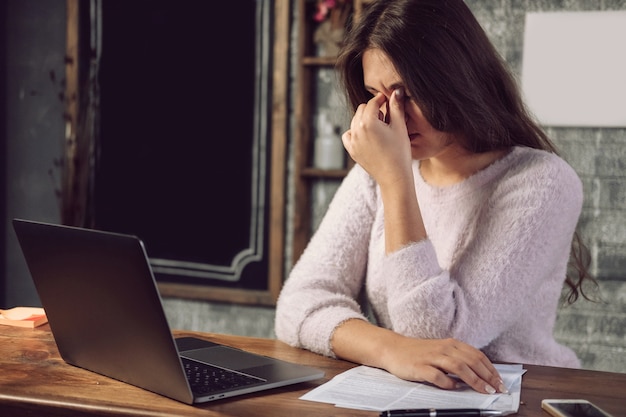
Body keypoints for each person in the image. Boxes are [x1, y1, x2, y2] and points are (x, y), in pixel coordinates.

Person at [275, 0, 594, 395]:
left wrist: (395, 181)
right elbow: (297, 303)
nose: (391, 115)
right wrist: (390, 350)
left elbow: (436, 332)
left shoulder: (542, 182)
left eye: (406, 94)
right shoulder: (377, 175)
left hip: (515, 397)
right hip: (408, 395)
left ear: (457, 80)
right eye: (376, 94)